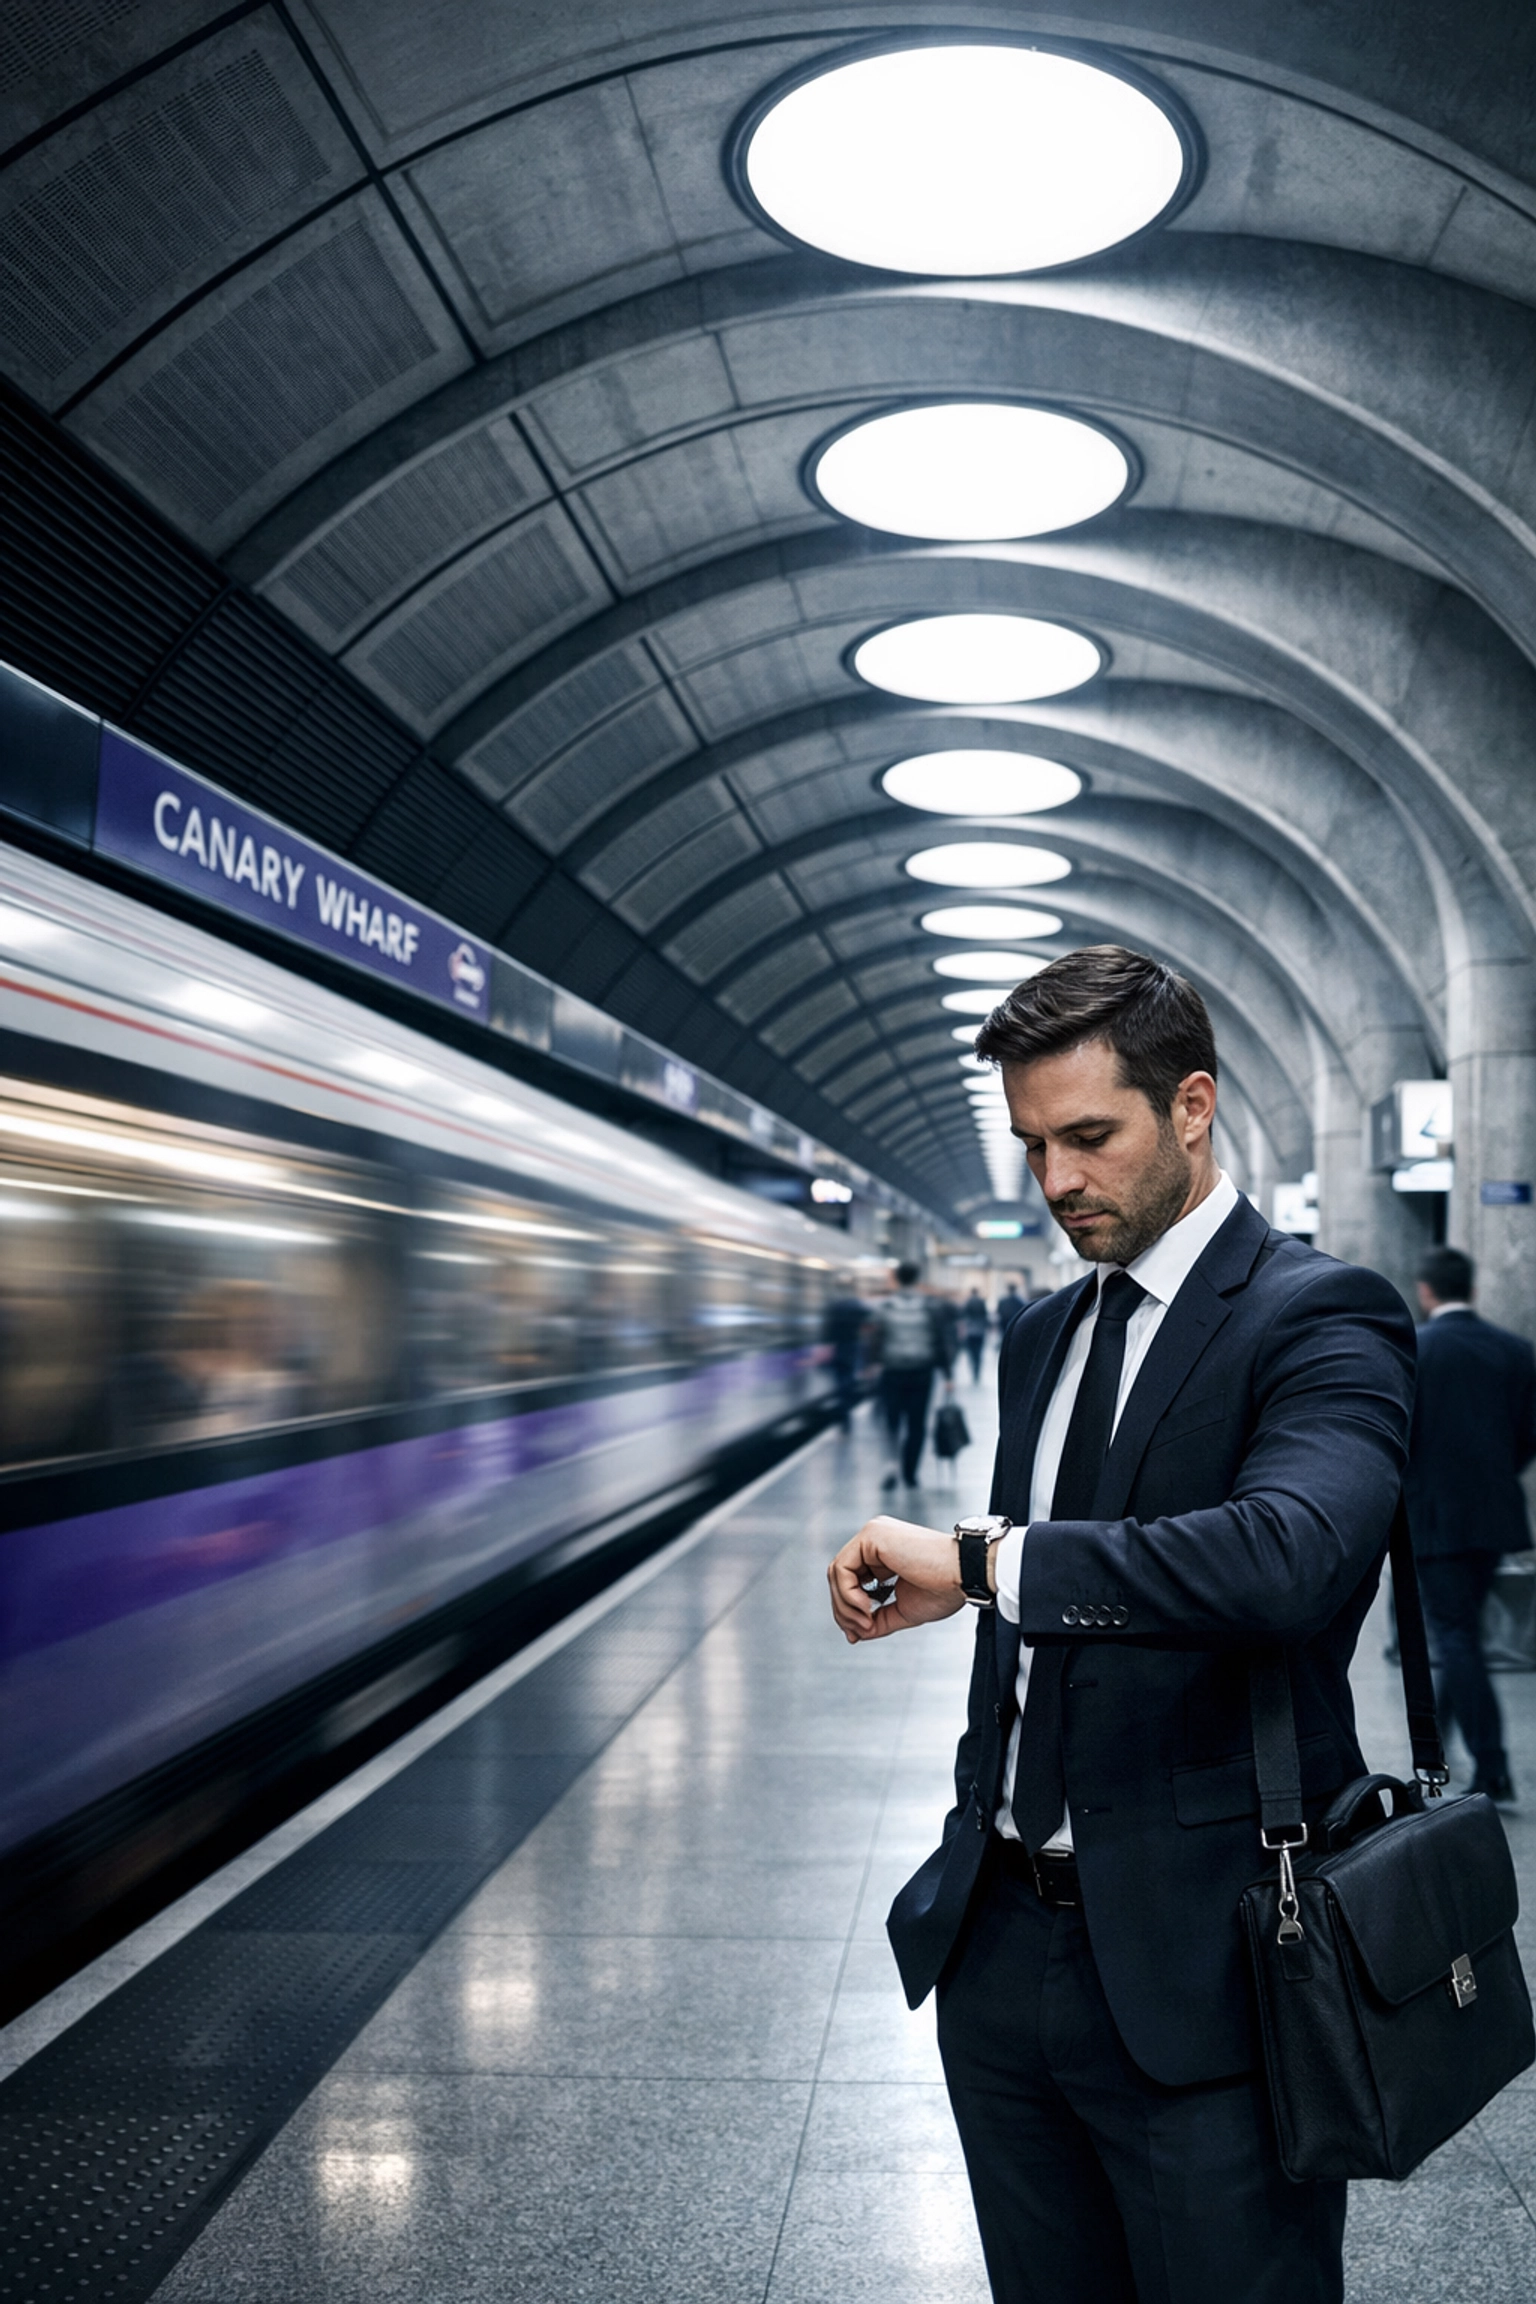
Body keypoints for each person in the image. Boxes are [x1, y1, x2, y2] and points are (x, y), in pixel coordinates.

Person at [826, 945, 1414, 2304]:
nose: (1056, 1183)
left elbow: (1287, 1559)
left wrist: (978, 1561)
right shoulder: (1043, 1335)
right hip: (1002, 1943)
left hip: (1209, 1970)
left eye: (1090, 1137)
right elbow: (1046, 1605)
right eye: (1034, 1146)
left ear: (1192, 1108)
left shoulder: (1318, 1315)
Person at [1405, 1243, 1536, 1804]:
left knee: (1457, 1638)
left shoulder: (1415, 1349)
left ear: (1426, 1290)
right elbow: (1529, 1434)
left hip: (1435, 1519)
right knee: (1464, 1636)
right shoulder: (1514, 1350)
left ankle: (1494, 1768)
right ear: (1473, 1290)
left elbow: (1399, 1435)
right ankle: (1437, 1739)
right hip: (1494, 1516)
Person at [874, 1260, 953, 1493]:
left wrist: (873, 1364)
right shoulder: (930, 1306)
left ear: (896, 1278)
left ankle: (891, 1465)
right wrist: (948, 1374)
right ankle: (910, 1474)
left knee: (892, 1422)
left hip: (892, 1371)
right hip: (922, 1372)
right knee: (916, 1424)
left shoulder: (885, 1306)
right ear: (917, 1279)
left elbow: (876, 1339)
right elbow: (941, 1341)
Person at [821, 1278, 869, 1433]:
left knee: (840, 1382)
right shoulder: (858, 1306)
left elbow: (826, 1331)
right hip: (853, 1348)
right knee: (849, 1380)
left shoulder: (834, 1307)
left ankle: (843, 1419)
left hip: (838, 1349)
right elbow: (870, 1325)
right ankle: (846, 1408)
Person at [961, 1288, 989, 1382]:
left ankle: (973, 1370)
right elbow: (985, 1315)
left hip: (970, 1330)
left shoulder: (967, 1302)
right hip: (980, 1331)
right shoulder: (981, 1301)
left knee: (971, 1353)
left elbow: (963, 1315)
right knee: (979, 1352)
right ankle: (977, 1371)